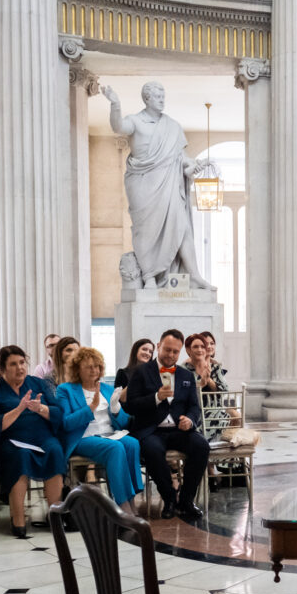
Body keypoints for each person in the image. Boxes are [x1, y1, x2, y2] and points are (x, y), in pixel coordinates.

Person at [101, 81, 214, 289]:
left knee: (182, 227)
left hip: (168, 184)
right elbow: (118, 127)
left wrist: (195, 165)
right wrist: (115, 104)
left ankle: (195, 275)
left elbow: (183, 159)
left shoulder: (172, 126)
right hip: (143, 183)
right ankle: (149, 275)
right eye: (158, 97)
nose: (162, 101)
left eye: (164, 97)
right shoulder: (135, 121)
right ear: (147, 99)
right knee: (145, 230)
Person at [121, 329, 208, 524]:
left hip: (178, 429)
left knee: (201, 446)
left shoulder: (186, 375)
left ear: (180, 353)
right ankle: (169, 499)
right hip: (150, 429)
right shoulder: (141, 372)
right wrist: (155, 398)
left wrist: (190, 421)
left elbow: (194, 406)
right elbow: (131, 405)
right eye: (167, 350)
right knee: (152, 450)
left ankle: (186, 501)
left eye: (175, 352)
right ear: (159, 346)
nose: (170, 355)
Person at [0, 345, 66, 539]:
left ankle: (55, 516)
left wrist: (41, 409)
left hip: (42, 438)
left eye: (22, 363)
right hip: (10, 441)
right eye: (13, 364)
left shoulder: (38, 384)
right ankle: (17, 520)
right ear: (2, 368)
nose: (20, 368)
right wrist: (19, 409)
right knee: (21, 455)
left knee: (54, 450)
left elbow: (59, 413)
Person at [58, 347, 143, 514]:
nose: (94, 370)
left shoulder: (107, 388)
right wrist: (91, 408)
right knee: (116, 448)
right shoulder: (65, 390)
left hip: (109, 434)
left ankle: (131, 500)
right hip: (83, 437)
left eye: (97, 366)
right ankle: (123, 506)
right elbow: (66, 423)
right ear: (77, 369)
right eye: (88, 367)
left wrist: (116, 408)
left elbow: (124, 422)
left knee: (132, 443)